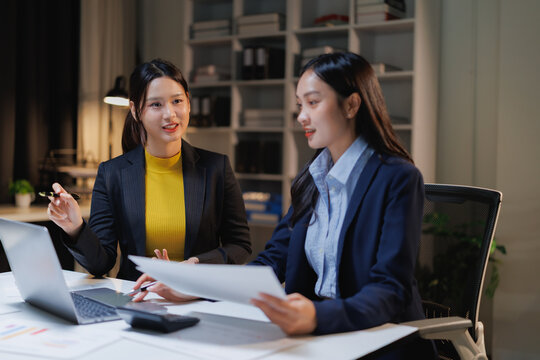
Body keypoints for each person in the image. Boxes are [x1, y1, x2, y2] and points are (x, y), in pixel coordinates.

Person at [133, 52, 435, 358]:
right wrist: (195, 287)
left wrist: (317, 317)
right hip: (315, 339)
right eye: (300, 105)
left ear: (351, 105)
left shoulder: (398, 178)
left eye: (313, 102)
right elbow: (271, 262)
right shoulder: (312, 177)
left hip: (378, 340)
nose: (301, 116)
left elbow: (390, 290)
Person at [47, 59, 252, 281]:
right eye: (156, 105)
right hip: (137, 298)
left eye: (177, 101)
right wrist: (75, 227)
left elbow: (240, 245)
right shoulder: (112, 173)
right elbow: (100, 263)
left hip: (198, 296)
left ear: (189, 103)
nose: (170, 114)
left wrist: (196, 265)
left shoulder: (216, 168)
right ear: (136, 111)